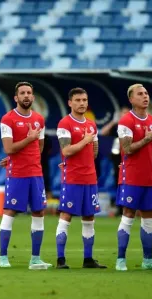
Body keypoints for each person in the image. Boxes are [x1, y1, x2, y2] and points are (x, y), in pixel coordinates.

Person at [0, 82, 50, 269]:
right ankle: (3, 257)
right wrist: (28, 140)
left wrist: (27, 150)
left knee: (39, 212)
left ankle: (35, 258)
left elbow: (40, 147)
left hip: (35, 173)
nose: (26, 96)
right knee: (10, 212)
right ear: (16, 98)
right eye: (22, 93)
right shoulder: (8, 119)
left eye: (29, 93)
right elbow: (8, 148)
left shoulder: (39, 119)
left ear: (33, 97)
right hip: (17, 174)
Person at [115, 83, 152, 271]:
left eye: (146, 93)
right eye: (140, 94)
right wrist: (146, 139)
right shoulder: (126, 121)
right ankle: (121, 259)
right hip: (131, 176)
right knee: (128, 215)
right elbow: (127, 149)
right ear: (131, 99)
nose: (145, 96)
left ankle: (148, 259)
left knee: (149, 216)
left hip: (149, 176)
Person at [55, 88, 107, 269]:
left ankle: (88, 259)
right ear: (70, 103)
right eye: (77, 100)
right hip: (72, 178)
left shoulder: (92, 124)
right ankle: (60, 260)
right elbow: (66, 150)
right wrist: (85, 142)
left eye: (84, 99)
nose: (82, 103)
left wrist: (88, 147)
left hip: (89, 178)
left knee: (89, 216)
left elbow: (94, 151)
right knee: (66, 215)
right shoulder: (64, 124)